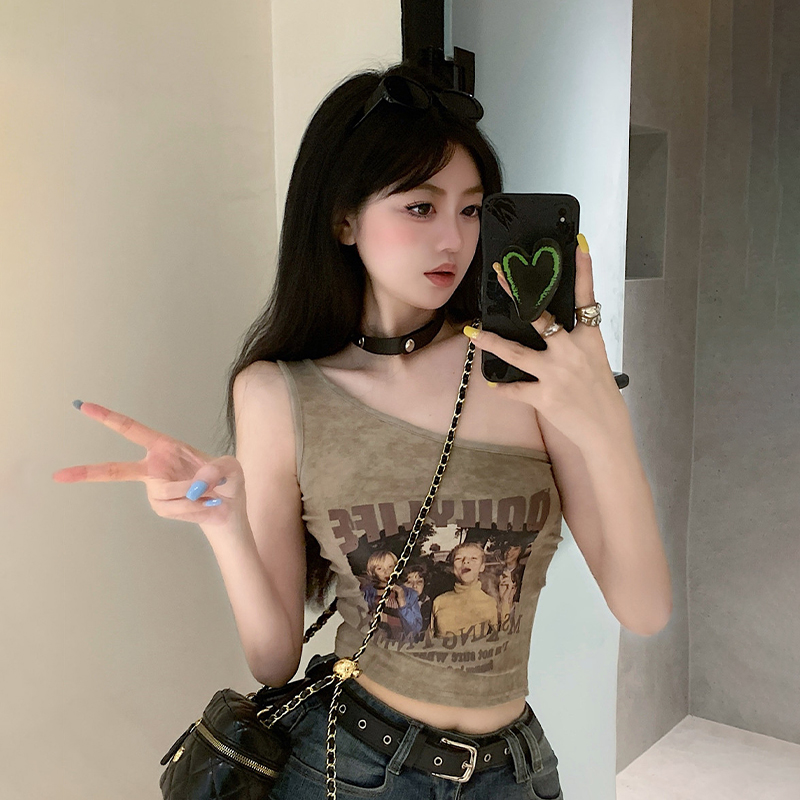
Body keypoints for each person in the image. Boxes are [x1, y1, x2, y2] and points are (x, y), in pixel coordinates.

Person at [53, 59, 672, 799]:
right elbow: (273, 659)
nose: (453, 239)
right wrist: (223, 523)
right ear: (344, 219)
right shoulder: (278, 393)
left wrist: (605, 421)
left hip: (511, 773)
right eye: (421, 207)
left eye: (473, 210)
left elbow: (644, 609)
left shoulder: (527, 376)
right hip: (347, 767)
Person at [430, 542, 497, 637]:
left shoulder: (491, 603)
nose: (465, 561)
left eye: (473, 558)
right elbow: (429, 640)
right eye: (459, 558)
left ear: (482, 567)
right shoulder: (439, 602)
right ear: (453, 568)